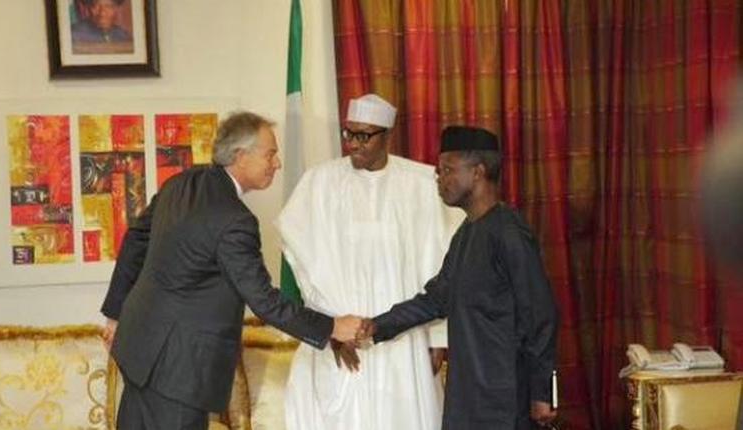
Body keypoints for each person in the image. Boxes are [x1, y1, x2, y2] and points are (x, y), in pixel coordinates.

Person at [99, 112, 364, 429]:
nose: (277, 163)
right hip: (178, 372)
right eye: (270, 154)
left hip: (139, 349)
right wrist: (332, 327)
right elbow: (264, 301)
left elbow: (135, 239)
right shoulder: (235, 220)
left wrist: (115, 314)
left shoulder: (181, 184)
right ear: (241, 156)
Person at [357, 126, 560, 429]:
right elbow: (436, 300)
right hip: (468, 396)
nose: (439, 179)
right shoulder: (465, 234)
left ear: (478, 172)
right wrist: (375, 325)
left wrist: (542, 392)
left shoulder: (508, 232)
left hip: (505, 398)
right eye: (439, 171)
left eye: (448, 169)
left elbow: (540, 314)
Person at [278, 94, 460, 430]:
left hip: (403, 337)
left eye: (365, 136)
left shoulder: (421, 183)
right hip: (340, 333)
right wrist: (332, 328)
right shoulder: (319, 183)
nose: (353, 145)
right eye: (349, 134)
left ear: (387, 136)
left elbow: (440, 266)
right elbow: (303, 261)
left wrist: (437, 338)